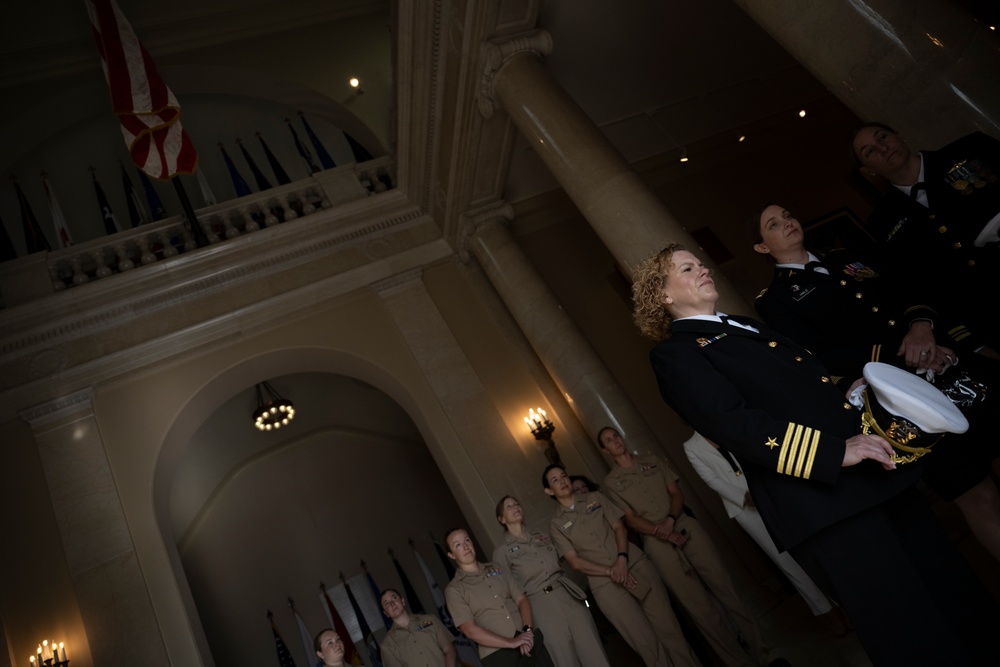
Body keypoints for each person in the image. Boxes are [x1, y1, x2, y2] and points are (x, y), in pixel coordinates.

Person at [631, 242, 1000, 666]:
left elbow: (806, 388)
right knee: (908, 627)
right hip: (824, 502)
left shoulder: (740, 325)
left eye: (700, 262)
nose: (703, 270)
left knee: (954, 593)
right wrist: (832, 453)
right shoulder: (676, 353)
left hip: (870, 479)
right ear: (663, 295)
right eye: (687, 268)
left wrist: (853, 392)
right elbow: (733, 424)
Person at [748, 202, 1000, 560]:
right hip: (903, 402)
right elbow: (818, 356)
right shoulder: (776, 300)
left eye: (788, 215)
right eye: (773, 224)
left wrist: (921, 327)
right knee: (978, 493)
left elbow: (907, 287)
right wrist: (903, 351)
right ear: (762, 246)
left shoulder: (845, 256)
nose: (787, 223)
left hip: (946, 362)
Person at [597, 426, 768, 667]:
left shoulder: (652, 460)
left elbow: (676, 493)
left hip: (683, 525)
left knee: (726, 589)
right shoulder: (612, 482)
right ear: (604, 450)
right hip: (657, 542)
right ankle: (739, 662)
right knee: (700, 609)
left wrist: (670, 521)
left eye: (616, 436)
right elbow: (631, 519)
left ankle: (762, 652)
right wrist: (661, 532)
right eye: (608, 440)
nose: (615, 441)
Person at [850, 122, 1000, 351]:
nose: (882, 148)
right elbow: (915, 280)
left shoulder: (969, 150)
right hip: (987, 313)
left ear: (899, 135)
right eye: (869, 151)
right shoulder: (883, 219)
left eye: (882, 137)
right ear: (868, 169)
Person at [681, 430, 847, 635]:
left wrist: (760, 488)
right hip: (744, 508)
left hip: (769, 492)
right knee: (786, 562)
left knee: (807, 550)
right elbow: (712, 480)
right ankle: (825, 613)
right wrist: (744, 496)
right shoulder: (691, 446)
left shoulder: (723, 425)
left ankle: (841, 606)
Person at [542, 463, 701, 667]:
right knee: (646, 644)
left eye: (563, 475)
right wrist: (611, 570)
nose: (562, 481)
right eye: (555, 480)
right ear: (549, 490)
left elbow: (619, 527)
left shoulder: (595, 498)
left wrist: (622, 559)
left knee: (669, 629)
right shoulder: (556, 524)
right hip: (606, 585)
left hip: (634, 564)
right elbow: (574, 561)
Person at [492, 495, 610, 667]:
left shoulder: (542, 536)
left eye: (517, 504)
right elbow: (508, 593)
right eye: (509, 506)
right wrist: (524, 628)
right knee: (564, 657)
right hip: (540, 604)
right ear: (501, 519)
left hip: (566, 593)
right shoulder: (501, 552)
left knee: (593, 649)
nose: (515, 507)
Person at [444, 527, 555, 666]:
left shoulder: (497, 567)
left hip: (529, 642)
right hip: (498, 655)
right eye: (458, 545)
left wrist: (527, 632)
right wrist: (512, 642)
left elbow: (522, 599)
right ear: (451, 555)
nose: (465, 546)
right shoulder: (454, 589)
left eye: (467, 540)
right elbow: (470, 631)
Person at [380, 588, 458, 667]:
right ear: (386, 613)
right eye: (386, 603)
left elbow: (450, 650)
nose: (392, 603)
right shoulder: (387, 645)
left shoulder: (430, 620)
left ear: (403, 601)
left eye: (394, 598)